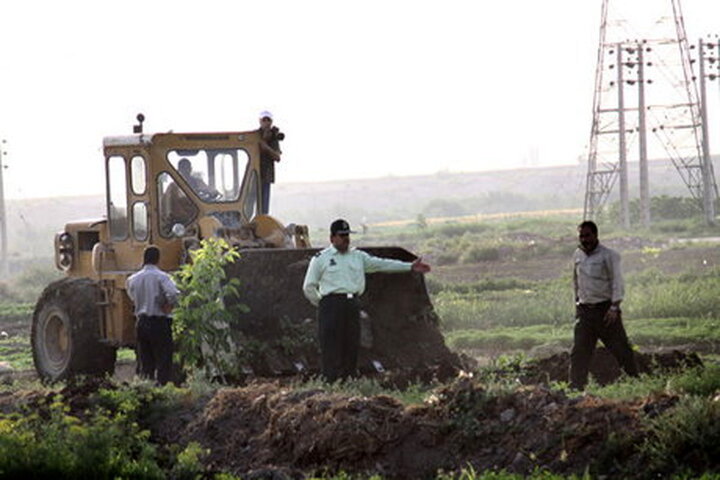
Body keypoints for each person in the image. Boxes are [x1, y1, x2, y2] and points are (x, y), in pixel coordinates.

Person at [302, 219, 431, 382]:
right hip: (331, 305)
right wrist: (323, 304)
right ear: (332, 238)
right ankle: (330, 383)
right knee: (330, 345)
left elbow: (382, 264)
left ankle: (349, 381)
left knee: (351, 343)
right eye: (342, 236)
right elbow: (309, 286)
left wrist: (409, 267)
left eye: (347, 235)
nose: (346, 239)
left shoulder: (358, 257)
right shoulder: (321, 258)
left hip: (352, 304)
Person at [569, 220, 638, 389]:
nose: (584, 239)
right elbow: (576, 281)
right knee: (579, 352)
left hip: (605, 311)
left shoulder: (609, 256)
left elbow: (617, 283)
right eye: (581, 236)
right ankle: (575, 388)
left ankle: (636, 382)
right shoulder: (577, 255)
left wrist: (614, 307)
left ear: (596, 235)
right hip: (585, 312)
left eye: (587, 235)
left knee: (621, 350)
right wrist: (577, 305)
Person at [126, 245, 180, 385]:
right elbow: (174, 294)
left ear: (144, 259)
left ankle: (147, 390)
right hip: (159, 322)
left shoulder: (133, 279)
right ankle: (162, 388)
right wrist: (169, 305)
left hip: (141, 322)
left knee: (145, 359)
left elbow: (131, 296)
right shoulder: (162, 277)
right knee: (163, 359)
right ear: (158, 259)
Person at [257, 110, 284, 214]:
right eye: (264, 120)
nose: (266, 123)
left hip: (266, 176)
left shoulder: (273, 138)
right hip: (253, 176)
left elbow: (277, 157)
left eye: (268, 120)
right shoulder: (255, 135)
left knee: (264, 209)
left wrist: (266, 147)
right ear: (260, 121)